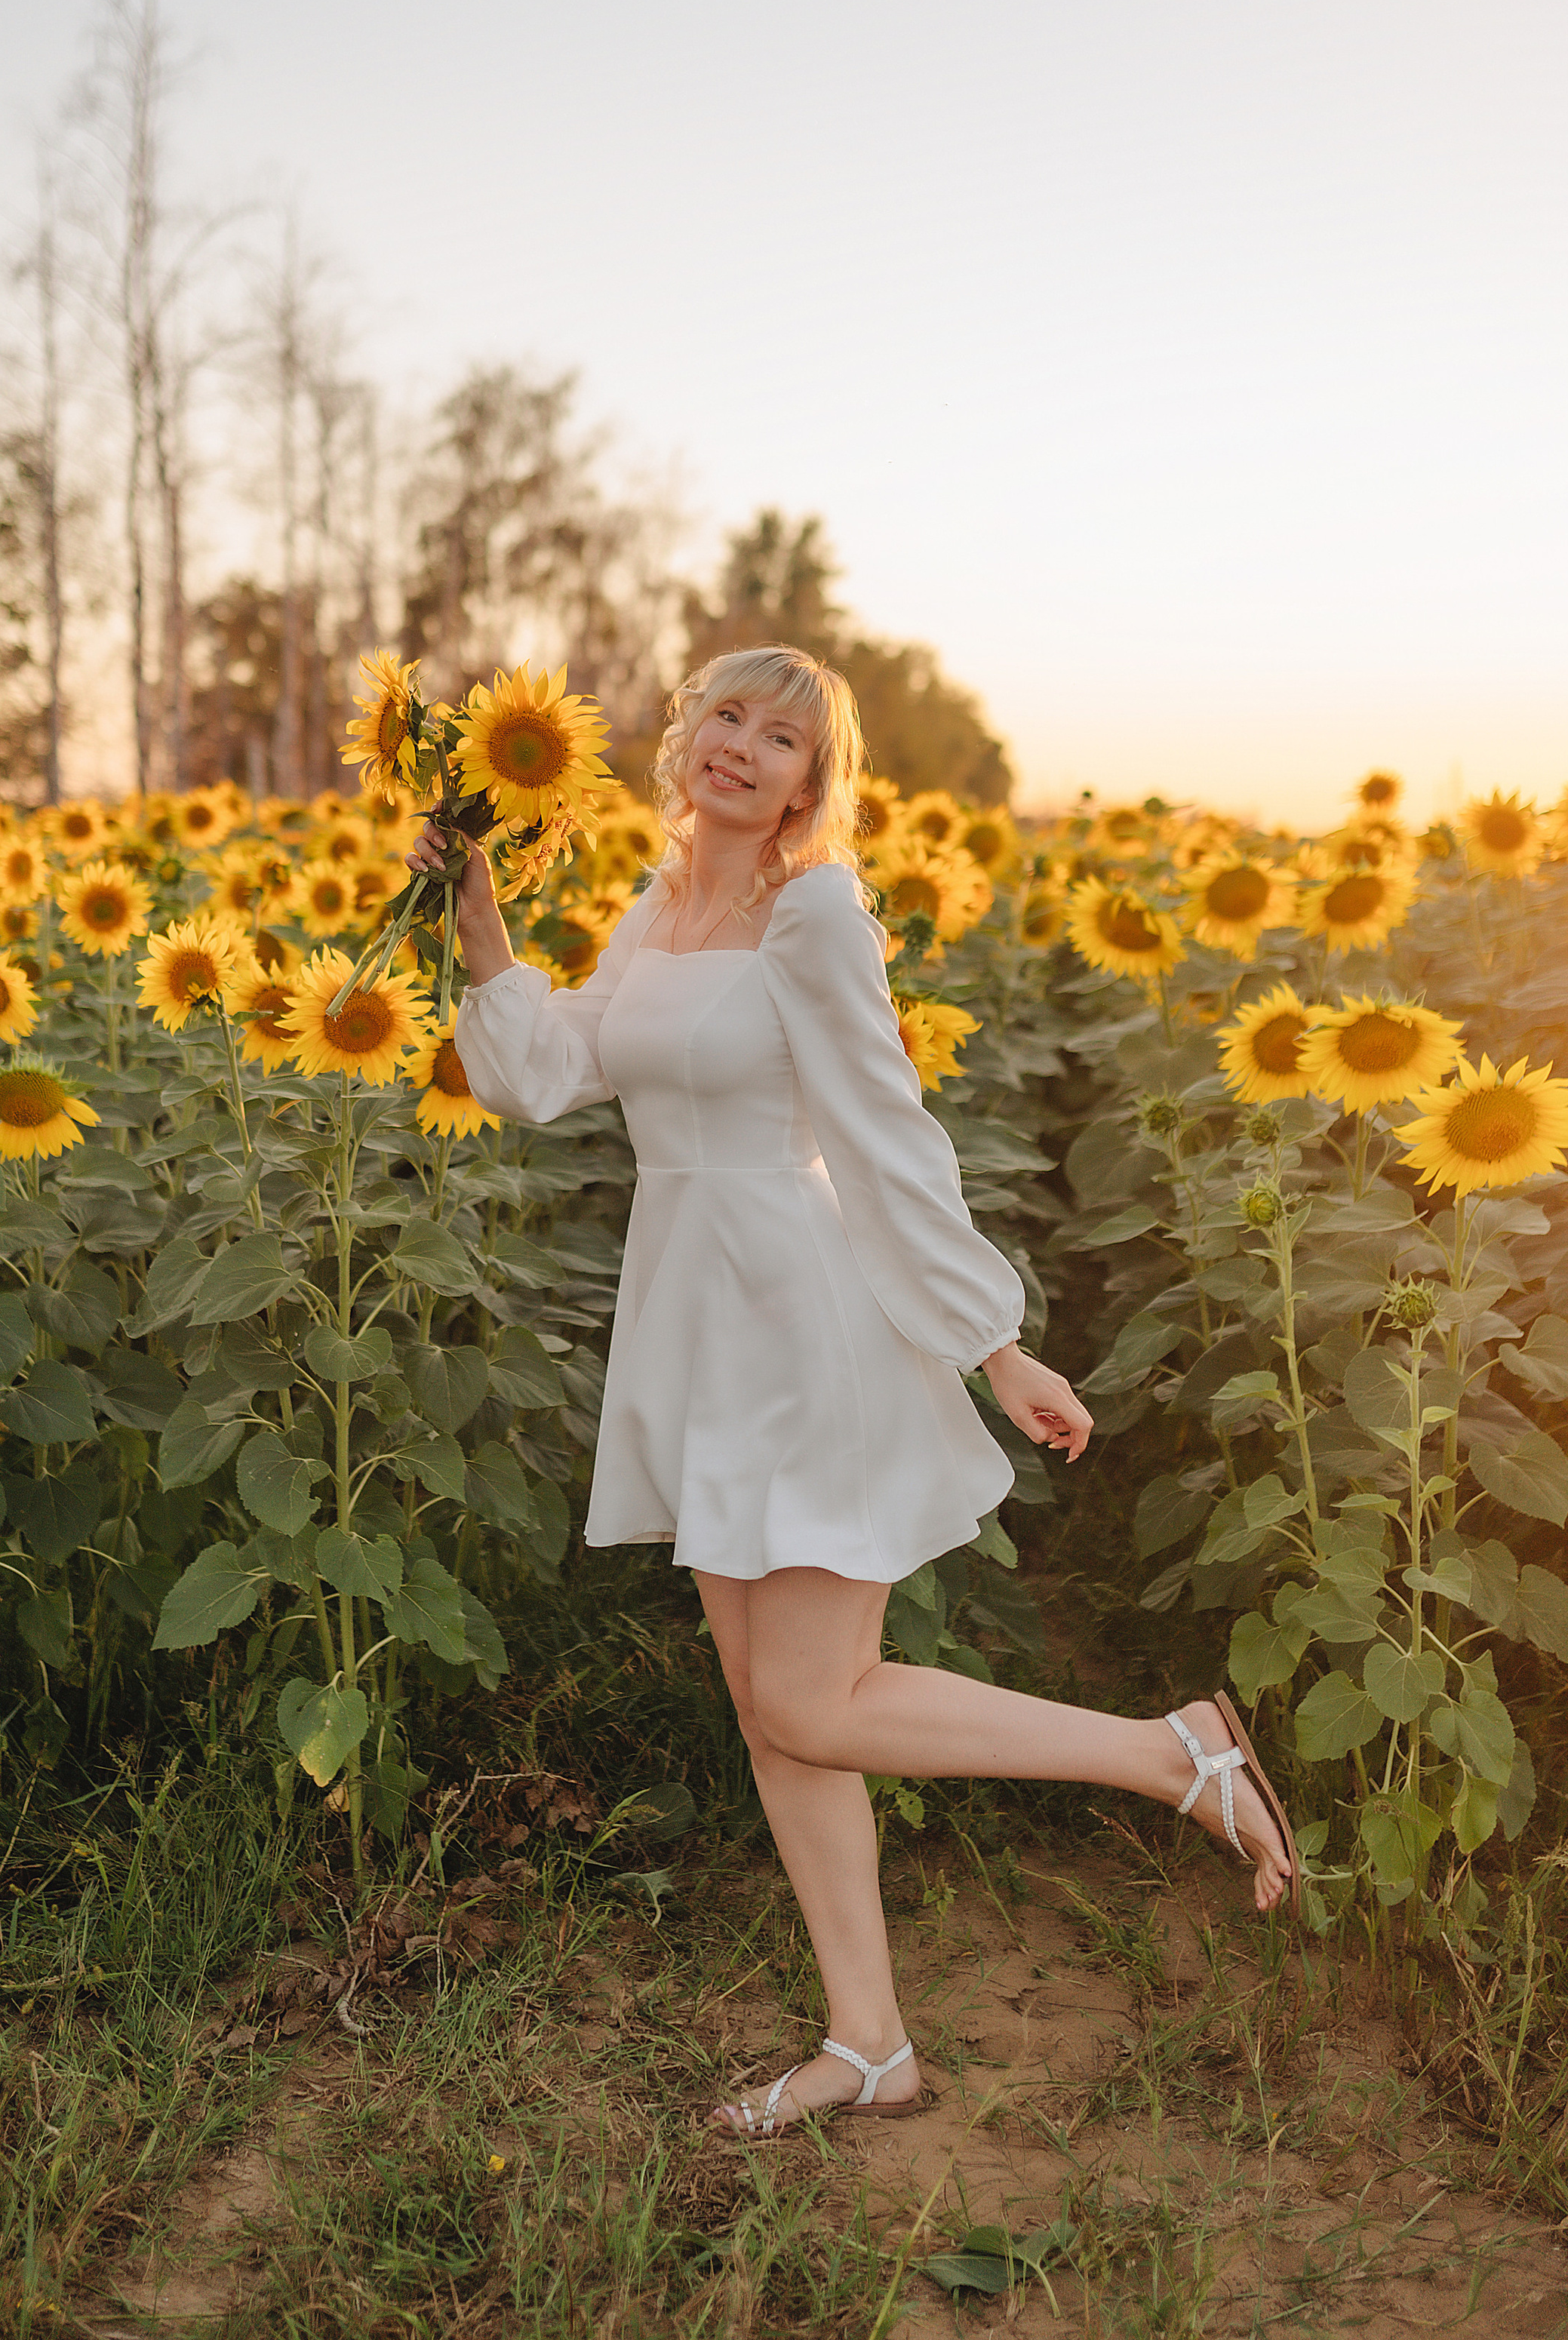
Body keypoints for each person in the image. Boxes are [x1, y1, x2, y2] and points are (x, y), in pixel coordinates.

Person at [410, 644, 1296, 2139]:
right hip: (694, 1318)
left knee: (814, 1700)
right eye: (723, 719)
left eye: (780, 736)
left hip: (800, 1312)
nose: (741, 748)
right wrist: (484, 930)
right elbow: (549, 1075)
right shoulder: (662, 901)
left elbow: (884, 1132)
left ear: (814, 782)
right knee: (776, 1717)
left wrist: (988, 1342)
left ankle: (1168, 1753)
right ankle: (868, 2045)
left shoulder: (811, 910)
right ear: (684, 740)